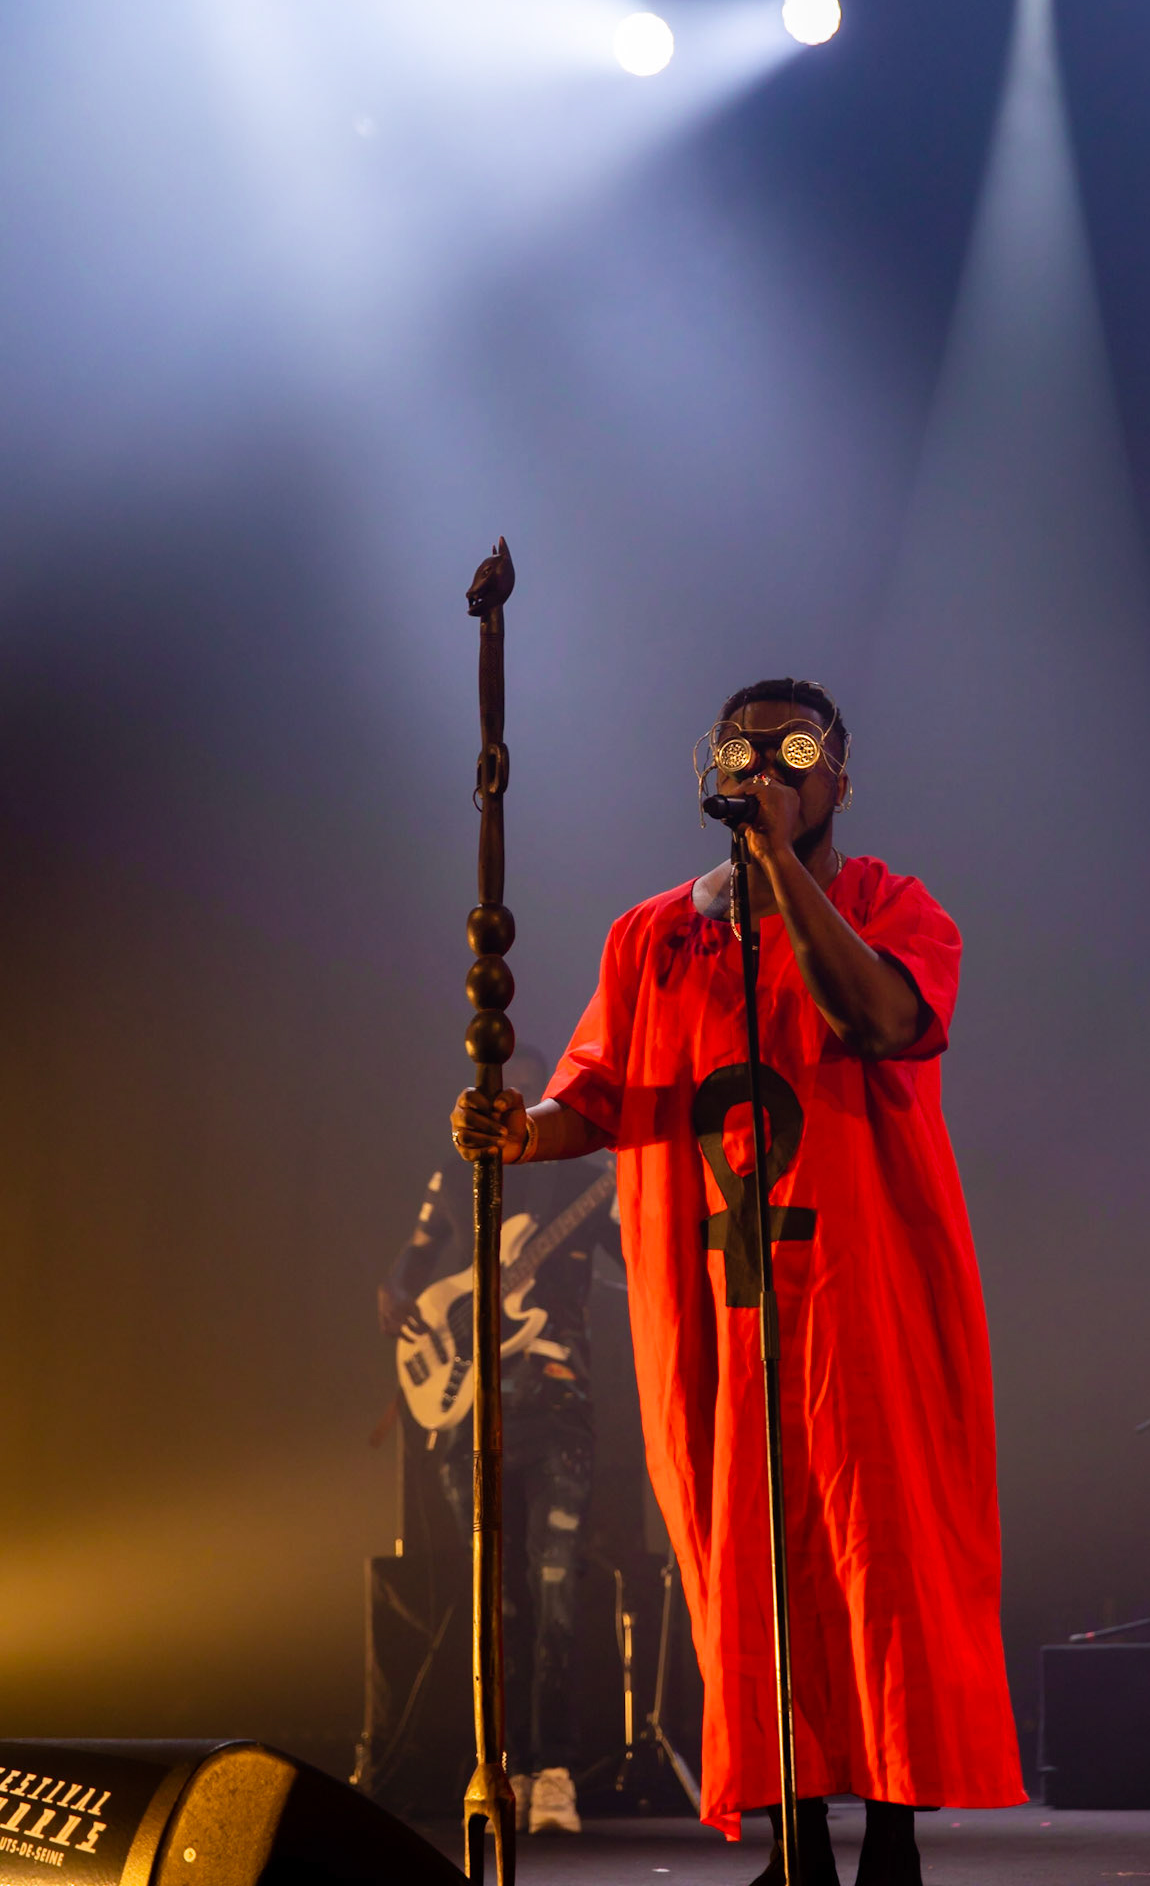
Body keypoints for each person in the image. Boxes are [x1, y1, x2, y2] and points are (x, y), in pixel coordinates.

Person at [451, 680, 1026, 1886]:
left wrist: (775, 873)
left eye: (791, 753)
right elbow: (601, 1093)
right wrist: (522, 1129)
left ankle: (898, 1839)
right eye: (740, 753)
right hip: (719, 1300)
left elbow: (874, 1014)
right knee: (743, 1555)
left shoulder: (889, 906)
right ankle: (797, 1835)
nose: (763, 769)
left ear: (839, 780)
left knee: (884, 1556)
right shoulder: (654, 934)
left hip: (865, 1290)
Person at [380, 1044, 620, 1836]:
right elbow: (406, 1271)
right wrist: (403, 1301)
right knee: (495, 1601)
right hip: (468, 1411)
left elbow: (646, 1253)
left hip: (559, 1406)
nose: (506, 1095)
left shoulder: (588, 1180)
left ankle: (553, 1770)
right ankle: (499, 1765)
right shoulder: (455, 1173)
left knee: (557, 1587)